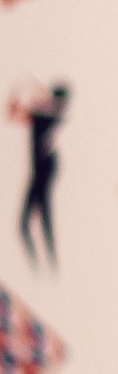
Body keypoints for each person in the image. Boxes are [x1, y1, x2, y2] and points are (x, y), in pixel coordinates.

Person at [10, 81, 65, 268]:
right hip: (44, 170)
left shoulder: (46, 114)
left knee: (32, 224)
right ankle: (48, 264)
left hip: (44, 171)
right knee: (34, 223)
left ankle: (48, 265)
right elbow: (16, 113)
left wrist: (22, 93)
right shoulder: (47, 114)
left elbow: (17, 112)